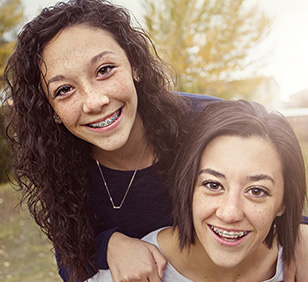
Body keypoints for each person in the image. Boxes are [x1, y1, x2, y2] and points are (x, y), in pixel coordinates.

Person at [3, 0, 307, 281]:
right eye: (64, 90)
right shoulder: (58, 164)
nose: (94, 101)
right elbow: (70, 257)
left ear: (134, 65)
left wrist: (300, 228)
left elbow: (271, 172)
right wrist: (108, 245)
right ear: (52, 110)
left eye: (105, 70)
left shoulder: (205, 120)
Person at [89, 100, 308, 282]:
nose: (230, 213)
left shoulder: (300, 259)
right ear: (189, 188)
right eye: (213, 185)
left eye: (257, 191)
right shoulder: (127, 275)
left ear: (283, 202)